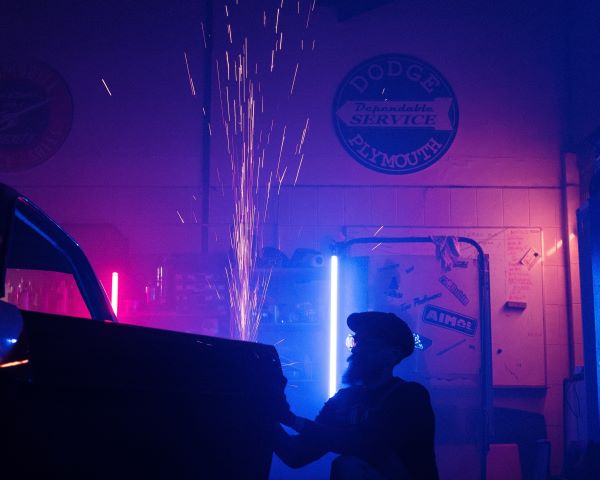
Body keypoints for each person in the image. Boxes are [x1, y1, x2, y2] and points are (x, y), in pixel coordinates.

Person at [273, 311, 439, 480]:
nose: (355, 349)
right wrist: (265, 413)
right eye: (355, 341)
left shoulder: (410, 396)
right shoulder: (344, 400)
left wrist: (291, 420)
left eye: (366, 343)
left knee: (348, 466)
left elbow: (367, 444)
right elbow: (297, 454)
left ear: (393, 354)